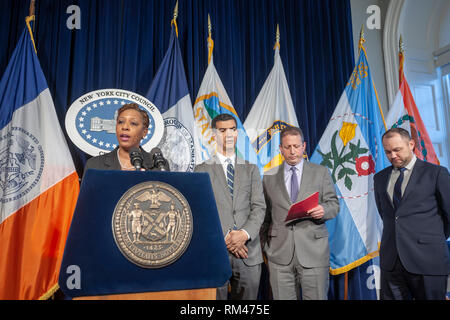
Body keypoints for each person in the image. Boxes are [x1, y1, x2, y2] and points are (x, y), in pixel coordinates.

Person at [261, 126, 339, 300]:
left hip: (314, 252)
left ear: (303, 146)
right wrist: (266, 247)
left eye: (296, 146)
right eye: (287, 147)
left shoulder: (320, 172)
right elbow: (264, 216)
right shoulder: (268, 177)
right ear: (280, 149)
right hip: (279, 254)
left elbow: (334, 204)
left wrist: (323, 210)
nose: (292, 151)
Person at [194, 113, 266, 300]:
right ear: (213, 134)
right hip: (216, 252)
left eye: (233, 129)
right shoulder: (201, 170)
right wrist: (227, 236)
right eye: (223, 130)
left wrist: (243, 234)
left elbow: (259, 207)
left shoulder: (251, 169)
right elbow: (201, 212)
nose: (229, 134)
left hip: (248, 253)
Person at [374, 128, 450, 300]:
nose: (392, 155)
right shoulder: (379, 178)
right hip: (391, 262)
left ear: (411, 144)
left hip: (428, 260)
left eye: (397, 149)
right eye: (388, 151)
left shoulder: (437, 173)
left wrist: (432, 238)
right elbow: (386, 215)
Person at [84, 103, 170, 173]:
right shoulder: (94, 165)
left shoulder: (159, 165)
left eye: (133, 123)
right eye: (120, 122)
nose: (125, 127)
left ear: (144, 132)